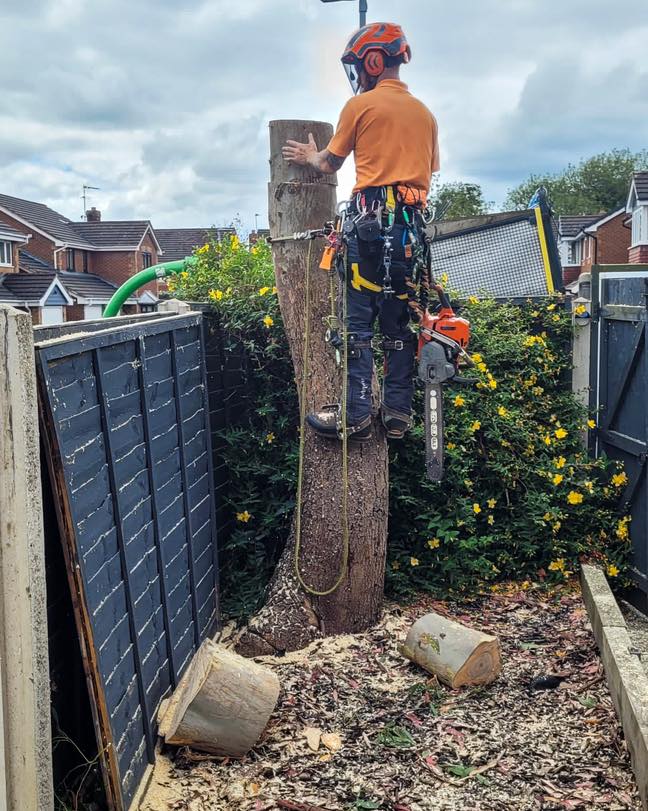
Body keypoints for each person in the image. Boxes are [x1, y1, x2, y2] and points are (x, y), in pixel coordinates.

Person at [282, 22, 440, 441]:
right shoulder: (426, 115)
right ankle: (397, 414)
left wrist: (310, 154)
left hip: (370, 225)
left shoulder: (361, 106)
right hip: (409, 233)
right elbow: (427, 173)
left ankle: (354, 414)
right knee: (399, 323)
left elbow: (329, 164)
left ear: (372, 60)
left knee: (357, 324)